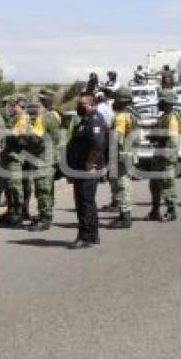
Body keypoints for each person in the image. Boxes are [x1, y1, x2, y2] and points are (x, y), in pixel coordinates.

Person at [66, 93, 109, 249]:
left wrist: (90, 164)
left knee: (85, 203)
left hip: (88, 169)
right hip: (80, 169)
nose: (79, 106)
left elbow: (98, 145)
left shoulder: (95, 121)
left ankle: (86, 236)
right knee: (86, 202)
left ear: (92, 105)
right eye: (78, 103)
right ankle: (93, 234)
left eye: (82, 104)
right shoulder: (85, 121)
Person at [106, 86, 139, 230]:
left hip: (120, 154)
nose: (113, 102)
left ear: (121, 101)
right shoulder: (131, 115)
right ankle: (123, 214)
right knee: (123, 183)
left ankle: (125, 216)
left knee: (122, 183)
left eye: (116, 100)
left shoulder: (120, 117)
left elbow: (116, 137)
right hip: (129, 152)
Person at [22, 97, 56, 232]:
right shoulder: (53, 116)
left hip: (42, 159)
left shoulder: (43, 119)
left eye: (37, 105)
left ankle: (45, 219)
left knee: (42, 190)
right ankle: (46, 215)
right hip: (49, 157)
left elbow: (35, 139)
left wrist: (24, 135)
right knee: (47, 189)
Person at [148, 89, 180, 222]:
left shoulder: (171, 117)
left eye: (161, 100)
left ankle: (171, 211)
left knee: (167, 183)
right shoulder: (164, 116)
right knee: (154, 184)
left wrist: (167, 155)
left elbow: (172, 139)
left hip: (166, 154)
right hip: (159, 153)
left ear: (167, 102)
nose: (158, 103)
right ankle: (155, 211)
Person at [0, 94, 28, 226]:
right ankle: (11, 211)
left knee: (15, 186)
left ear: (18, 105)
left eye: (12, 105)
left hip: (15, 156)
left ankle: (18, 213)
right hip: (8, 154)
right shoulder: (14, 117)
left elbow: (17, 135)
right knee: (9, 185)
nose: (10, 107)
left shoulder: (22, 117)